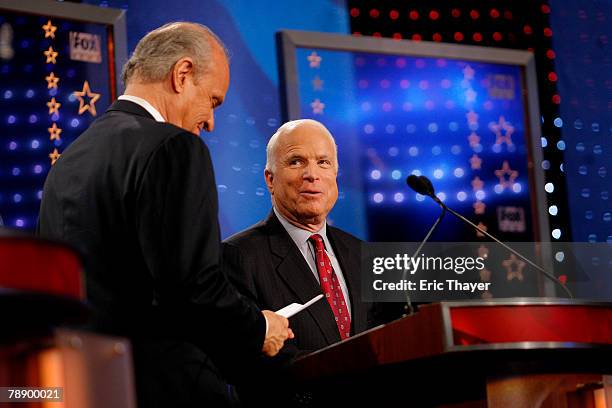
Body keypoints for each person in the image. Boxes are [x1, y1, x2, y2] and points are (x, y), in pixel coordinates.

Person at [37, 22, 292, 407]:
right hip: (165, 389)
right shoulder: (174, 148)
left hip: (84, 388)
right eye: (213, 100)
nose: (210, 121)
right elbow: (193, 288)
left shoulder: (67, 162)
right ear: (182, 74)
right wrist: (259, 326)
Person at [222, 119, 372, 404]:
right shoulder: (238, 256)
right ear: (270, 179)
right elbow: (249, 360)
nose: (312, 174)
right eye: (296, 162)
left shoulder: (360, 252)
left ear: (336, 175)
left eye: (323, 162)